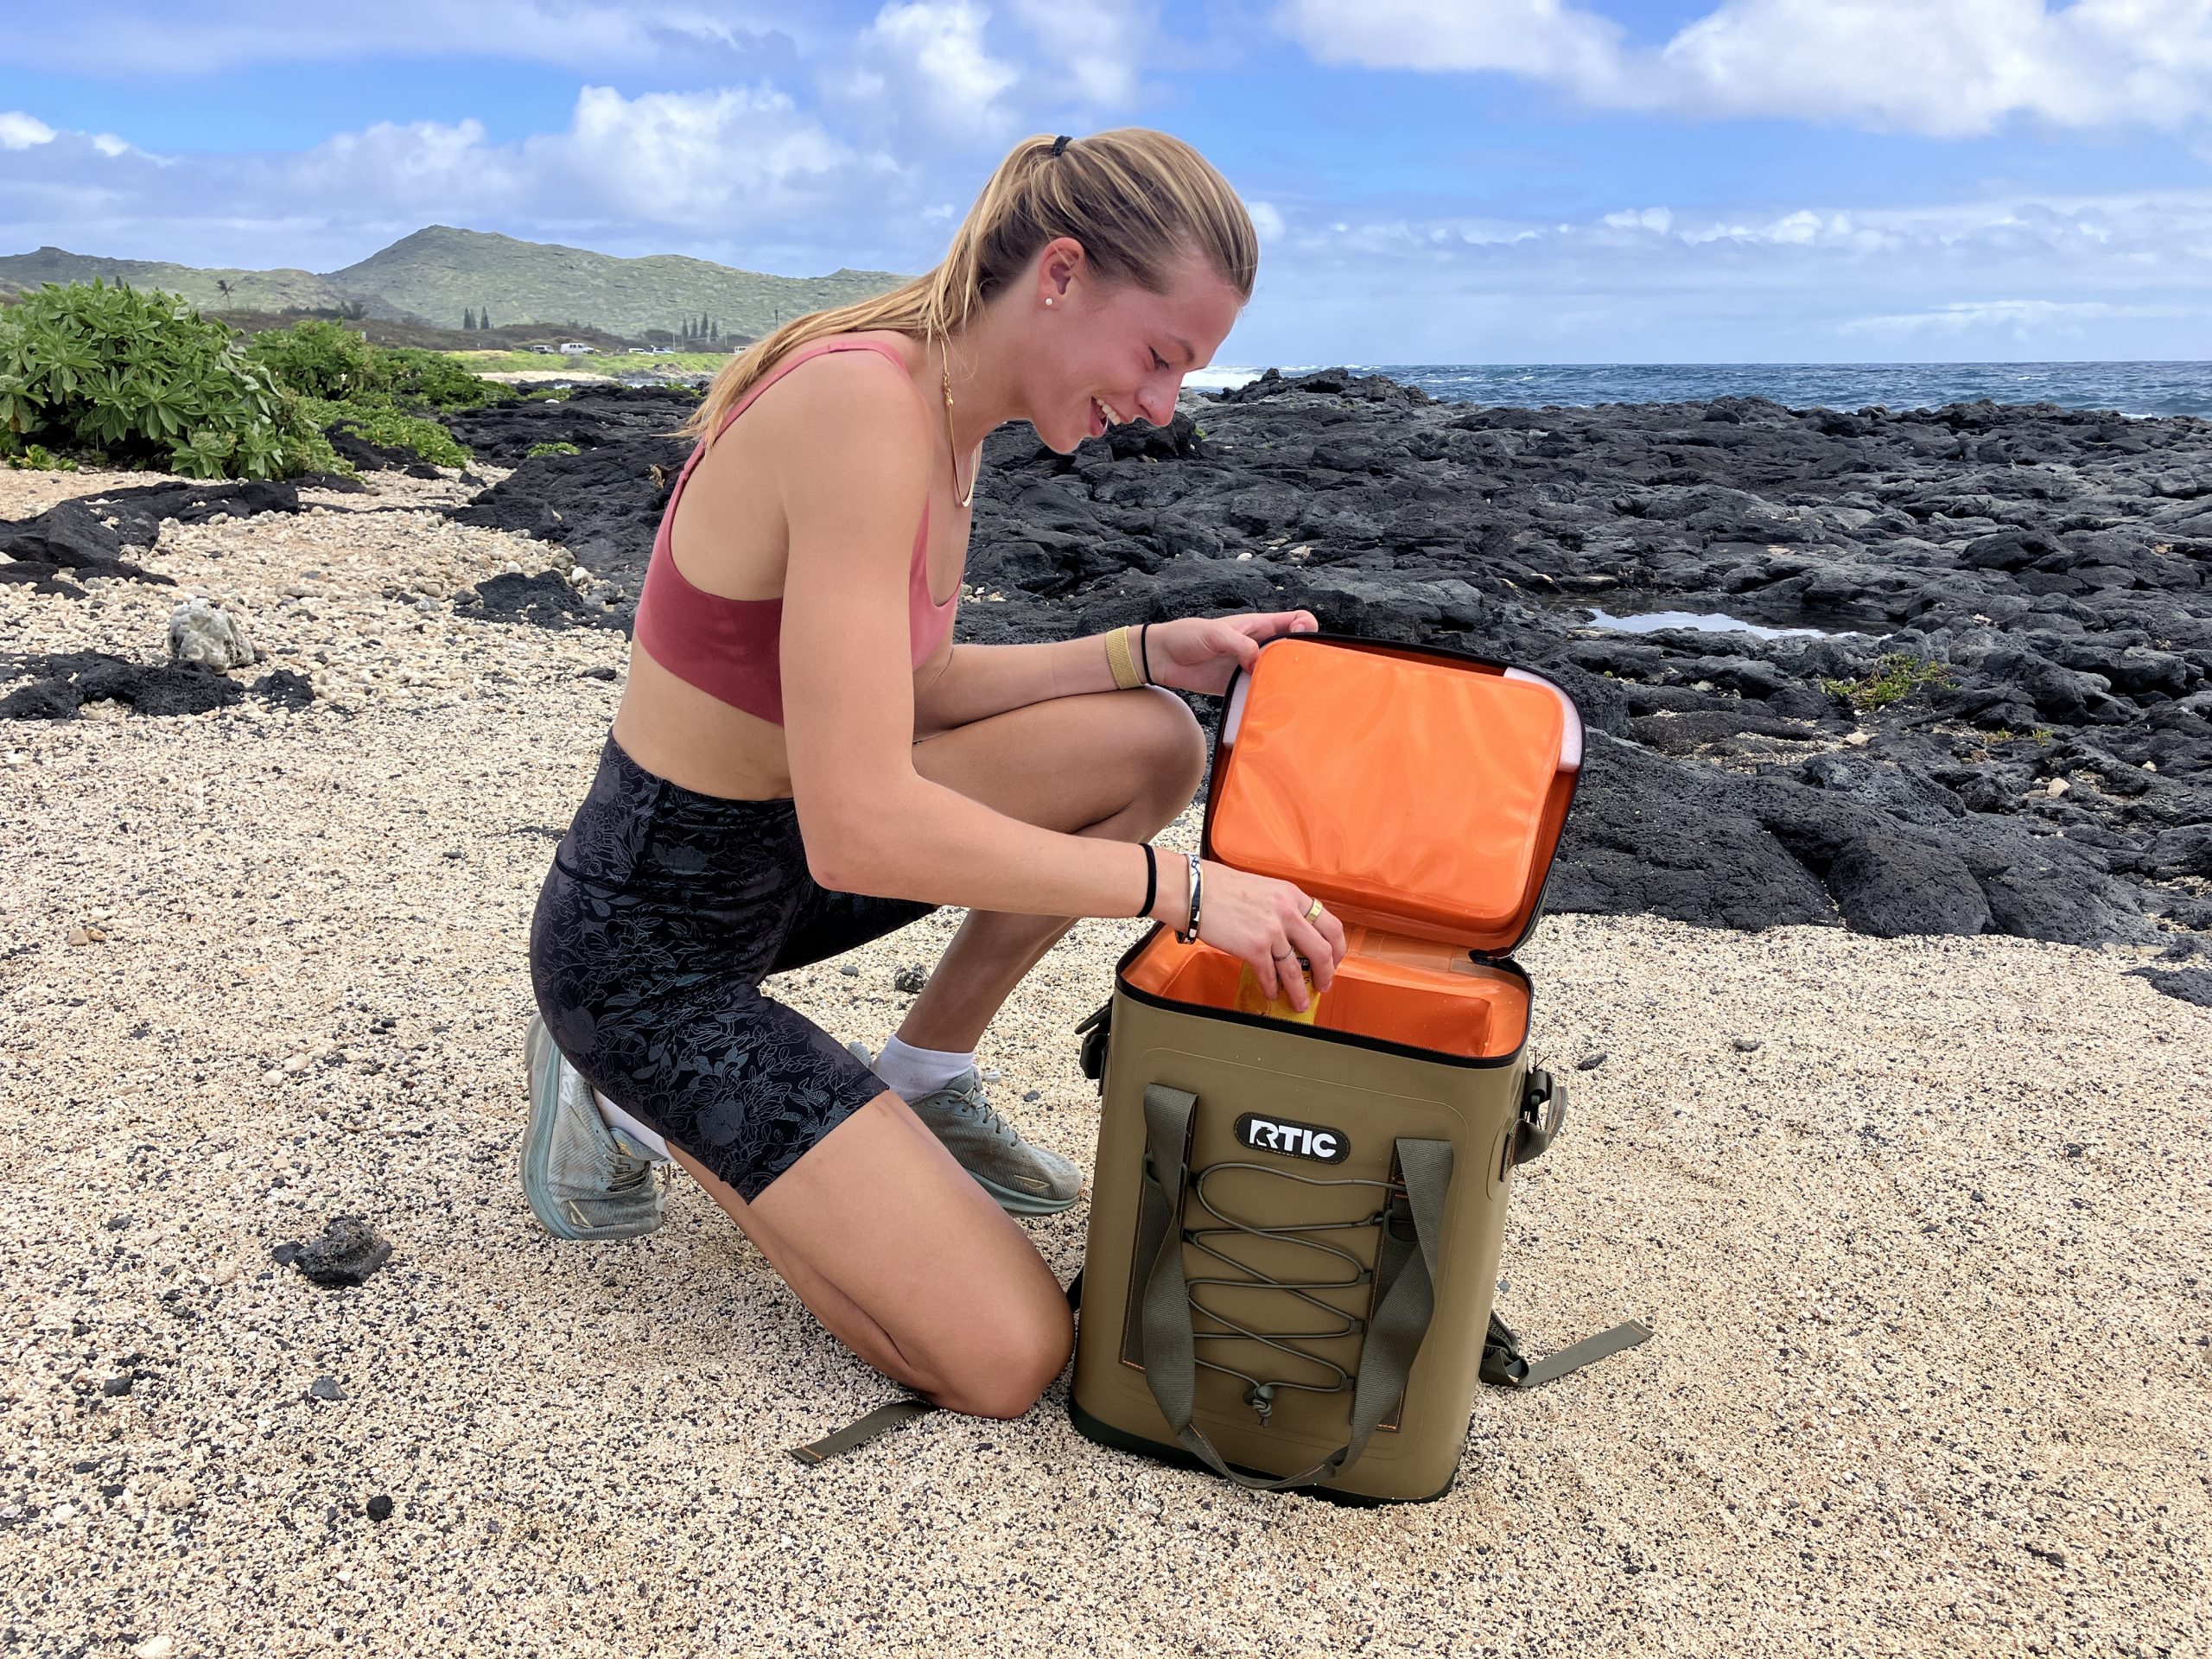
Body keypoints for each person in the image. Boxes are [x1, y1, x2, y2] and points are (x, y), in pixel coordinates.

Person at [521, 128, 1349, 1421]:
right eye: (1161, 357)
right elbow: (864, 827)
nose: (1161, 408)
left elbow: (911, 690)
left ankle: (921, 1078)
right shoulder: (862, 407)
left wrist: (1143, 650)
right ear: (1062, 274)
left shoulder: (957, 420)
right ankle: (626, 1083)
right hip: (654, 946)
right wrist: (1183, 892)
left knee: (1151, 738)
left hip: (778, 870)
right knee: (1004, 1360)